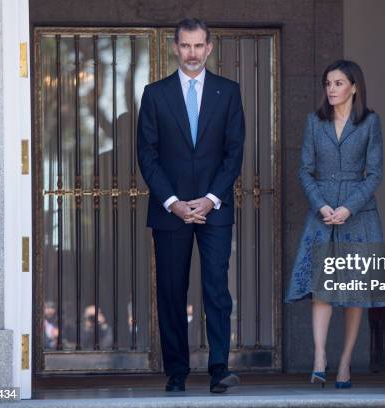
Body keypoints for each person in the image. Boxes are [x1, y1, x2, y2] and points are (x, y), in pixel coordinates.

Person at [137, 18, 245, 393]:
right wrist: (174, 203)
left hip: (215, 208)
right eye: (186, 46)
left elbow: (234, 153)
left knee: (217, 290)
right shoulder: (155, 94)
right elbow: (146, 155)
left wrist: (211, 199)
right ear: (175, 46)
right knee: (171, 291)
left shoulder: (228, 92)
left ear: (209, 48)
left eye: (199, 46)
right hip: (170, 212)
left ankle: (219, 370)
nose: (192, 53)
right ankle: (177, 373)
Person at [285, 60, 385, 389]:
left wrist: (348, 207)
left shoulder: (370, 122)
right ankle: (320, 357)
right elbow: (305, 169)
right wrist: (322, 205)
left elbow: (375, 172)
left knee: (354, 292)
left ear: (354, 87)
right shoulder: (314, 122)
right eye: (328, 84)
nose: (331, 89)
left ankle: (345, 361)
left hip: (358, 215)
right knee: (323, 287)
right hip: (322, 214)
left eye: (338, 83)